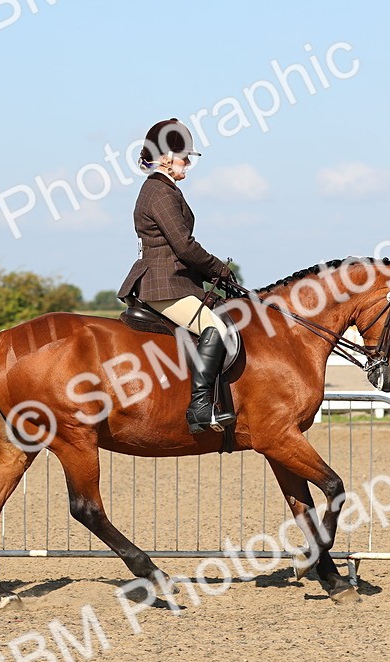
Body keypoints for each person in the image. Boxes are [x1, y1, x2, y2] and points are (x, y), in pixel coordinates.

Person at [117, 118, 237, 434]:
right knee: (214, 327)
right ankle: (200, 407)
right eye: (186, 157)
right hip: (163, 283)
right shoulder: (159, 191)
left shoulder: (161, 189)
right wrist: (218, 270)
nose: (188, 164)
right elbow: (183, 246)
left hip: (170, 280)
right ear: (168, 157)